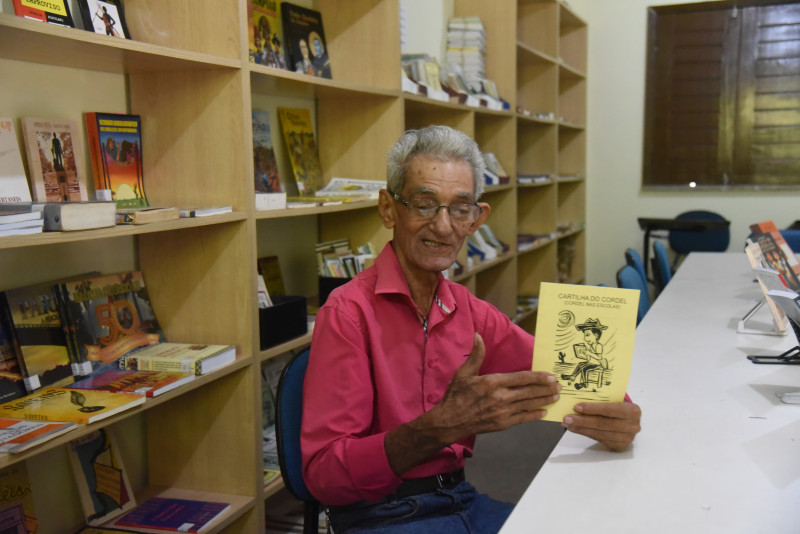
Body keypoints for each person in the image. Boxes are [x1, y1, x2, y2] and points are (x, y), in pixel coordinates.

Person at [302, 125, 642, 533]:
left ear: (476, 219)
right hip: (379, 516)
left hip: (460, 499)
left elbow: (578, 383)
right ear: (389, 209)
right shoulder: (347, 313)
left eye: (459, 209)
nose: (443, 227)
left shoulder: (469, 311)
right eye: (425, 204)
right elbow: (325, 476)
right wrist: (439, 427)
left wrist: (618, 417)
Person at [561, 318, 607, 390]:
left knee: (584, 368)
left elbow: (599, 357)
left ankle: (584, 384)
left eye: (588, 335)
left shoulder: (598, 346)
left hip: (597, 364)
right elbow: (589, 357)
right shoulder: (591, 346)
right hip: (591, 363)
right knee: (580, 364)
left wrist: (589, 353)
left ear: (596, 335)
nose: (585, 338)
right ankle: (572, 376)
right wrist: (582, 353)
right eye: (585, 335)